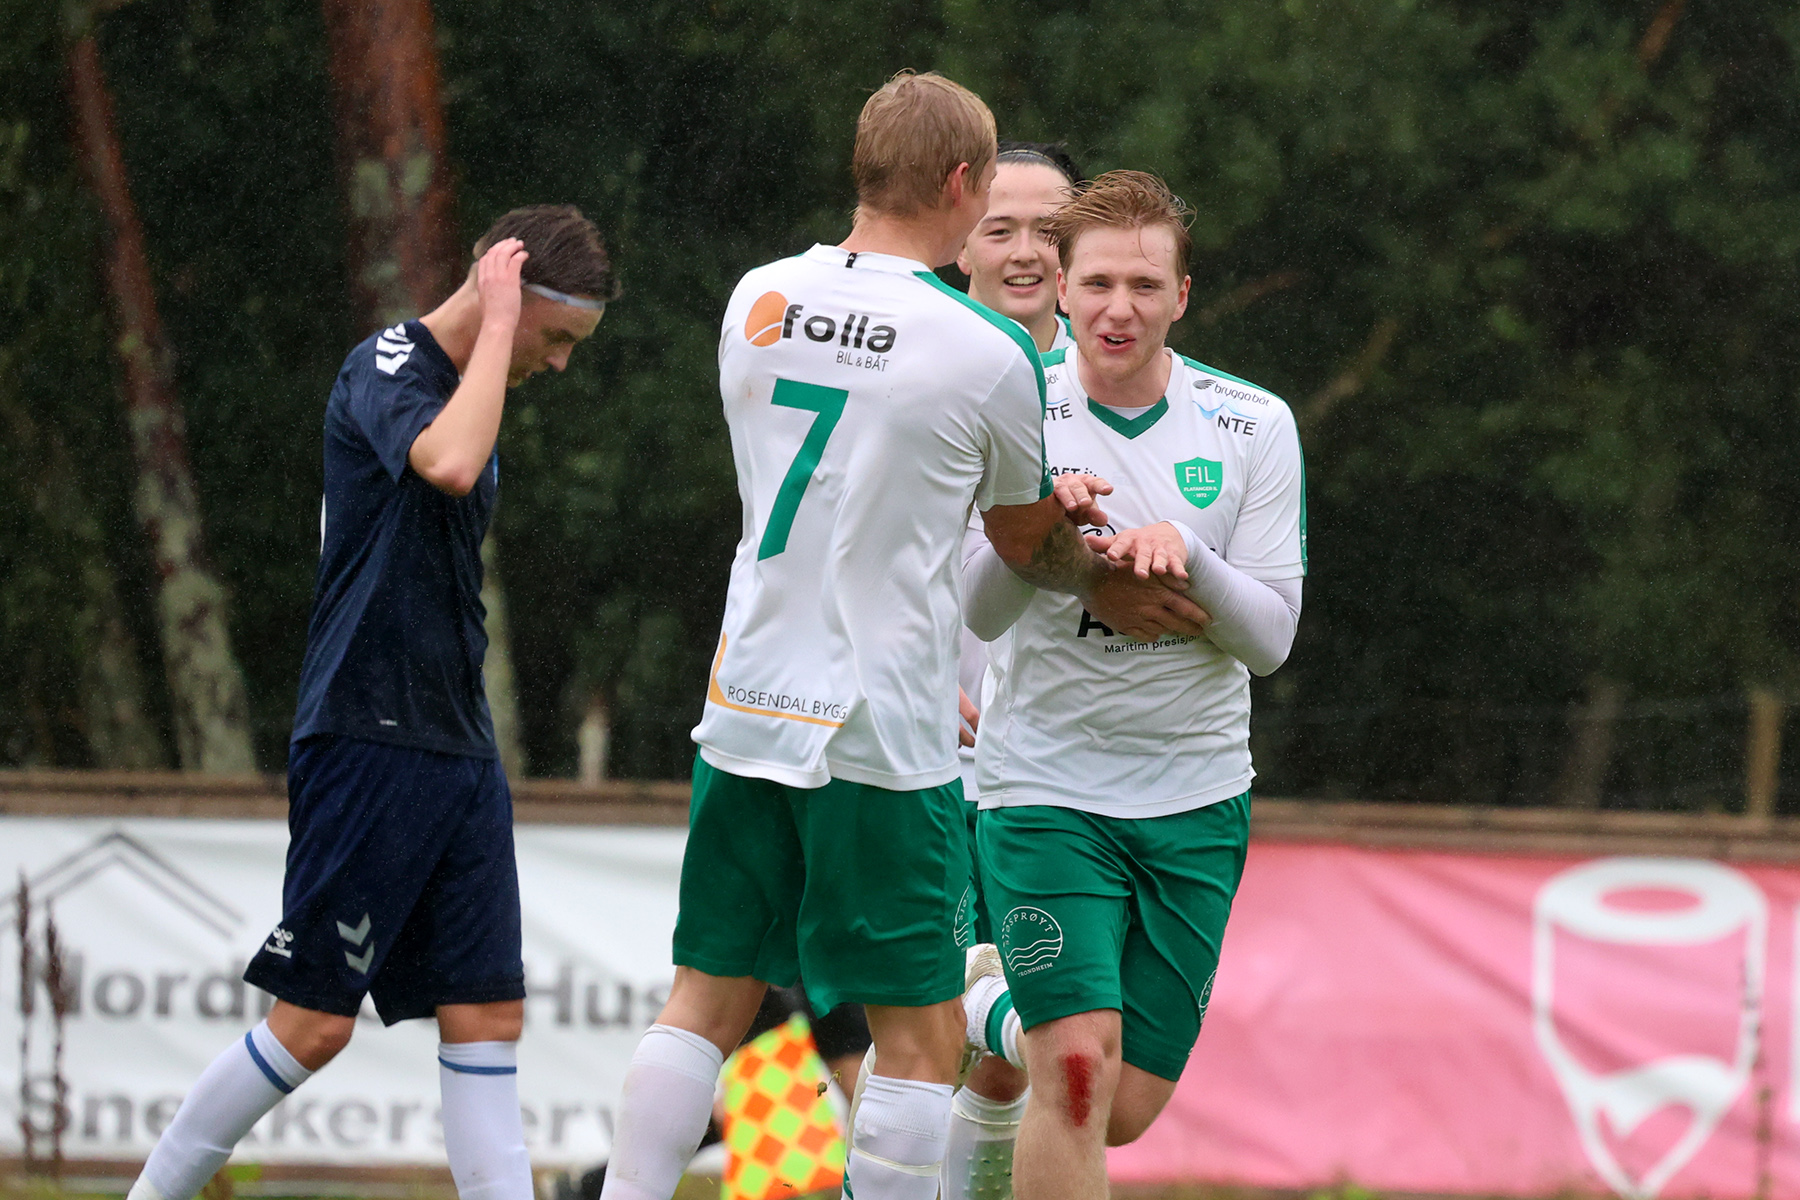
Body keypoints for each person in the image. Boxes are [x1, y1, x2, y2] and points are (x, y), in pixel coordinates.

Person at [596, 73, 1204, 1200]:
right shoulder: (982, 349)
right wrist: (1091, 566)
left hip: (748, 692)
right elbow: (1028, 546)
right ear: (964, 185)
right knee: (922, 1039)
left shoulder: (755, 297)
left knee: (704, 997)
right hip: (883, 722)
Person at [125, 206, 618, 1200]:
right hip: (368, 734)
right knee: (312, 1025)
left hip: (458, 745)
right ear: (504, 291)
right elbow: (448, 463)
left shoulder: (472, 389)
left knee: (487, 1014)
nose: (559, 367)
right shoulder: (387, 364)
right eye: (556, 340)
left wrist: (503, 331)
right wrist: (494, 316)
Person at [960, 171, 1306, 1200]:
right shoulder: (1016, 408)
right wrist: (1038, 532)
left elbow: (1272, 642)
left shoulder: (1252, 424)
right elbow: (976, 615)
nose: (1120, 309)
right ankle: (1001, 1007)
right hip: (1043, 789)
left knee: (1127, 1107)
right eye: (1100, 282)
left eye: (1145, 286)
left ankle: (982, 1003)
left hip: (1194, 794)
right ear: (1062, 288)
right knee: (1072, 1071)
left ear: (1183, 295)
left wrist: (1190, 558)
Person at [942, 138, 1084, 1200]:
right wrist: (890, 675)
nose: (1029, 251)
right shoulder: (914, 363)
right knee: (885, 1036)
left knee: (990, 1063)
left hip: (1059, 774)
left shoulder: (1122, 378)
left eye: (1053, 229)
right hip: (909, 756)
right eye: (1002, 227)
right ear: (960, 243)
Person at [955, 141, 1082, 355]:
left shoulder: (1108, 370)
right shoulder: (909, 356)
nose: (1025, 254)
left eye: (1047, 232)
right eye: (1000, 232)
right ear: (960, 247)